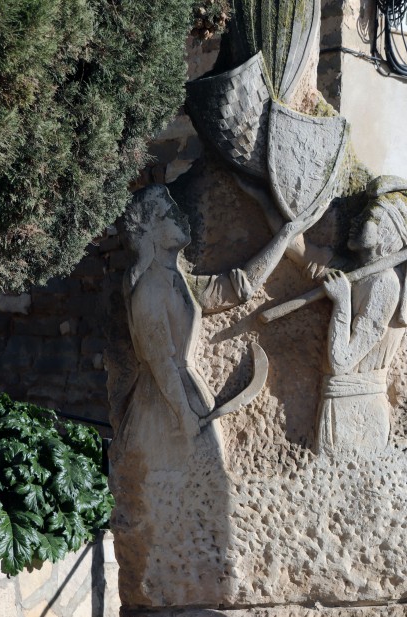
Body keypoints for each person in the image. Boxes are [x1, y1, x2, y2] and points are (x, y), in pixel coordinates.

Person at [113, 184, 327, 468]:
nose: (181, 216)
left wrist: (285, 236)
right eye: (169, 213)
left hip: (187, 397)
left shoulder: (178, 279)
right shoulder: (149, 289)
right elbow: (160, 363)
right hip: (164, 409)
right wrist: (184, 416)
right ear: (149, 230)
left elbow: (239, 287)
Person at [318, 175, 407, 455]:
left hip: (357, 414)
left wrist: (341, 302)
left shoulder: (384, 283)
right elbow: (306, 256)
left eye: (369, 217)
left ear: (388, 231)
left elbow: (341, 362)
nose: (356, 220)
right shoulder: (360, 274)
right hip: (340, 407)